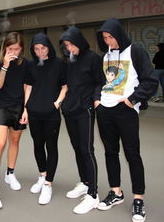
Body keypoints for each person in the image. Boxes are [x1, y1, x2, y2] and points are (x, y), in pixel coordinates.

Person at [95, 18, 158, 222]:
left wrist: (133, 100)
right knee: (110, 152)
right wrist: (98, 100)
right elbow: (99, 82)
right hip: (105, 110)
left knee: (132, 154)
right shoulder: (105, 56)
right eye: (104, 38)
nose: (108, 41)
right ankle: (116, 192)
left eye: (111, 37)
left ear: (119, 34)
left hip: (126, 110)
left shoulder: (136, 51)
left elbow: (150, 80)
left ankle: (138, 199)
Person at [59, 26, 102, 214]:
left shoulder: (92, 58)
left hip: (85, 110)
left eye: (72, 45)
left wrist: (95, 100)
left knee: (87, 150)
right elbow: (67, 84)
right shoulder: (69, 59)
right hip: (69, 110)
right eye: (67, 45)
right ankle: (85, 183)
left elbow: (100, 81)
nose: (70, 49)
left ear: (79, 41)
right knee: (77, 148)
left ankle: (93, 194)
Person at [22, 32, 67, 205]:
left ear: (49, 47)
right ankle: (42, 175)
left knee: (51, 146)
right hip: (34, 112)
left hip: (51, 114)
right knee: (37, 145)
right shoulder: (31, 65)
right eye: (36, 48)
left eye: (43, 48)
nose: (40, 52)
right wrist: (25, 109)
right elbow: (28, 87)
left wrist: (57, 103)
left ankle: (48, 184)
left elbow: (65, 86)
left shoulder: (59, 64)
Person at [0, 32, 27, 209]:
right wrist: (4, 66)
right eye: (10, 49)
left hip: (19, 106)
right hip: (1, 105)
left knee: (15, 140)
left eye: (17, 49)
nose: (14, 52)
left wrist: (26, 108)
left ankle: (10, 173)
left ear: (22, 49)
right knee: (0, 143)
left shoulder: (25, 64)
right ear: (5, 48)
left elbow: (27, 86)